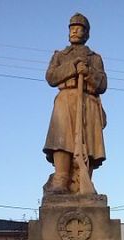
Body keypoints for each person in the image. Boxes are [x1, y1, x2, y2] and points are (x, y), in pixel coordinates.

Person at [43, 13, 107, 194]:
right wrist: (72, 67)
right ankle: (61, 180)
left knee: (88, 143)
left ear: (87, 34)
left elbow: (102, 84)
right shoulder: (60, 55)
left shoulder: (95, 58)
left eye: (79, 28)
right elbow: (51, 77)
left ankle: (84, 182)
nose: (75, 31)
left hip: (88, 100)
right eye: (72, 28)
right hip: (66, 98)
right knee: (61, 139)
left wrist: (87, 72)